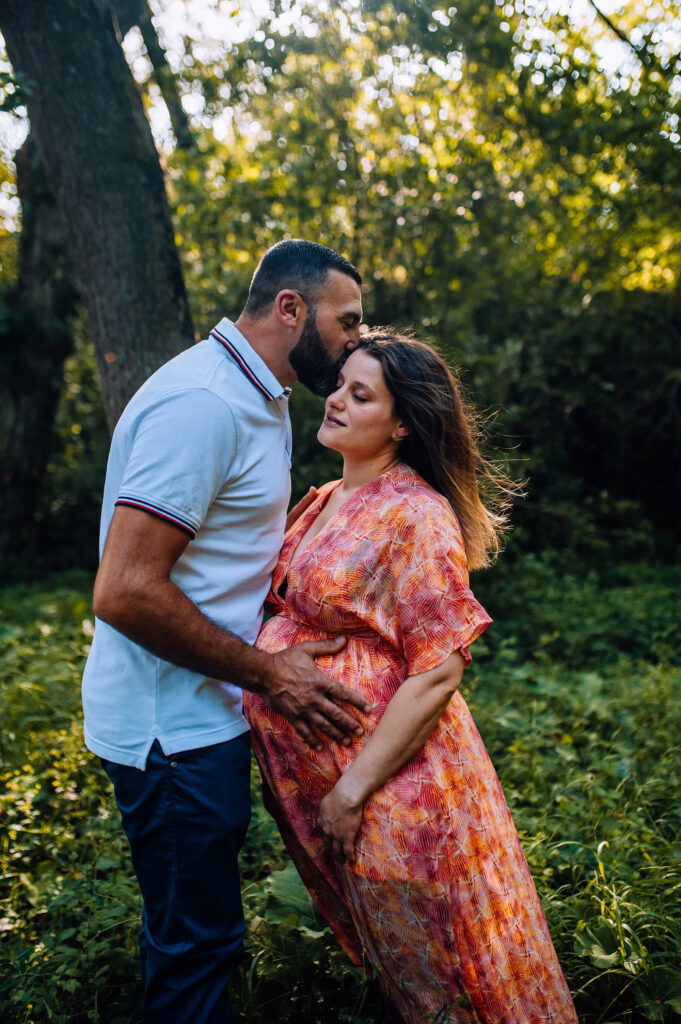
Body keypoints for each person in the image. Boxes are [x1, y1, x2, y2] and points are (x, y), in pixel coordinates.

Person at [245, 331, 578, 1024]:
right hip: (340, 784)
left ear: (401, 424)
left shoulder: (416, 515)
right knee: (402, 977)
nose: (335, 400)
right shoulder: (328, 496)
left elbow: (439, 670)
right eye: (339, 385)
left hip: (396, 795)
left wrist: (350, 790)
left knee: (447, 971)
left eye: (359, 395)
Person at [81, 240, 373, 1024]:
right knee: (197, 950)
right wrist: (272, 673)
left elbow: (225, 558)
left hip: (206, 710)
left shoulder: (262, 396)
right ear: (289, 309)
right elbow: (125, 589)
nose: (357, 337)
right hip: (169, 730)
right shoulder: (204, 404)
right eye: (346, 321)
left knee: (192, 934)